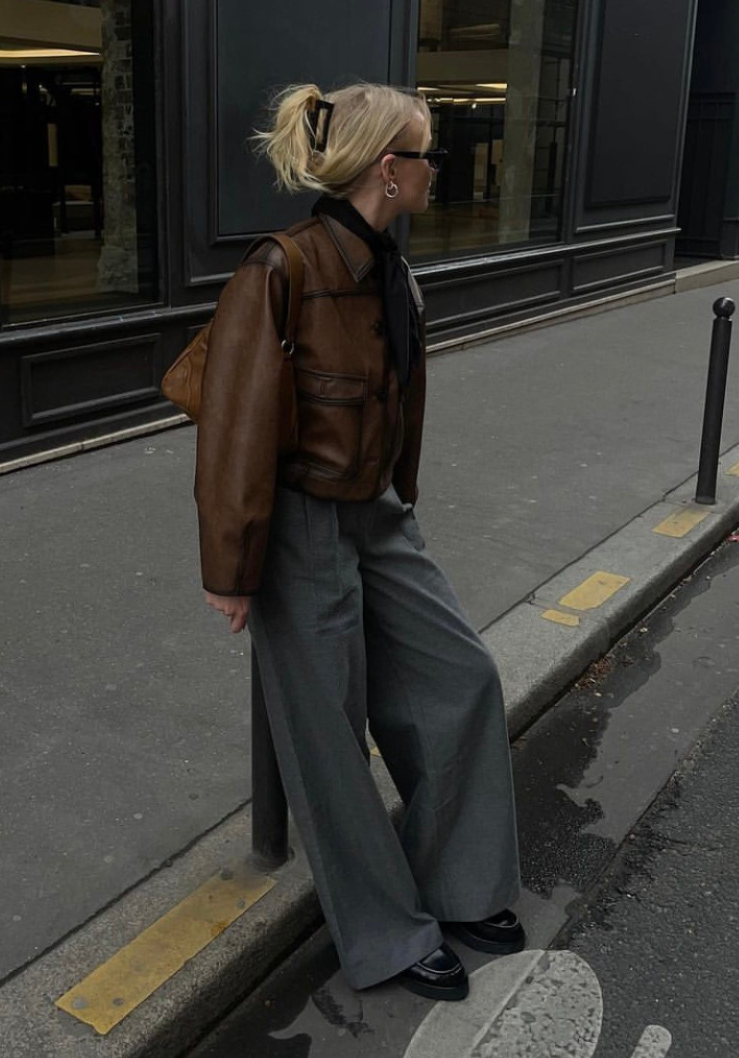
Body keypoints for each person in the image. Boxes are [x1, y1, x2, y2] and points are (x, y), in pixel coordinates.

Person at [194, 81, 523, 1001]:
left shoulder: (390, 268)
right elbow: (234, 429)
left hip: (376, 513)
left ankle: (455, 881)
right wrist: (232, 569)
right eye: (427, 155)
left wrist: (398, 498)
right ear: (390, 169)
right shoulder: (282, 269)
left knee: (461, 679)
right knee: (330, 741)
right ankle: (384, 930)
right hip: (298, 526)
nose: (436, 170)